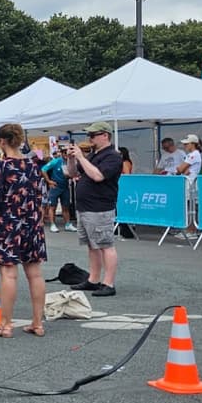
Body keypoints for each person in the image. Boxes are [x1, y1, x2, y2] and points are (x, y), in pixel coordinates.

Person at [0, 123, 48, 338]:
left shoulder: (1, 166)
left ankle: (5, 325)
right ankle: (37, 323)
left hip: (8, 223)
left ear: (2, 141)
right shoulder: (33, 165)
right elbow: (41, 195)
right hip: (32, 223)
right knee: (35, 274)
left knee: (9, 275)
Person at [64, 121, 123, 297]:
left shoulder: (113, 156)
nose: (89, 138)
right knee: (92, 245)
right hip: (85, 207)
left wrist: (81, 157)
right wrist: (71, 158)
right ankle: (93, 279)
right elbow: (72, 173)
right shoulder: (92, 155)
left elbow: (98, 176)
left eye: (93, 135)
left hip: (100, 207)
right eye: (89, 135)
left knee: (105, 245)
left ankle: (108, 283)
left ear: (105, 135)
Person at [39, 146, 77, 233]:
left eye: (68, 153)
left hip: (65, 186)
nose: (66, 155)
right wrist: (49, 181)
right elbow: (43, 169)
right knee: (53, 206)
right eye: (65, 153)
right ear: (62, 153)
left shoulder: (70, 161)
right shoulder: (56, 161)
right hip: (55, 186)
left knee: (66, 206)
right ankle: (53, 225)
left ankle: (68, 224)